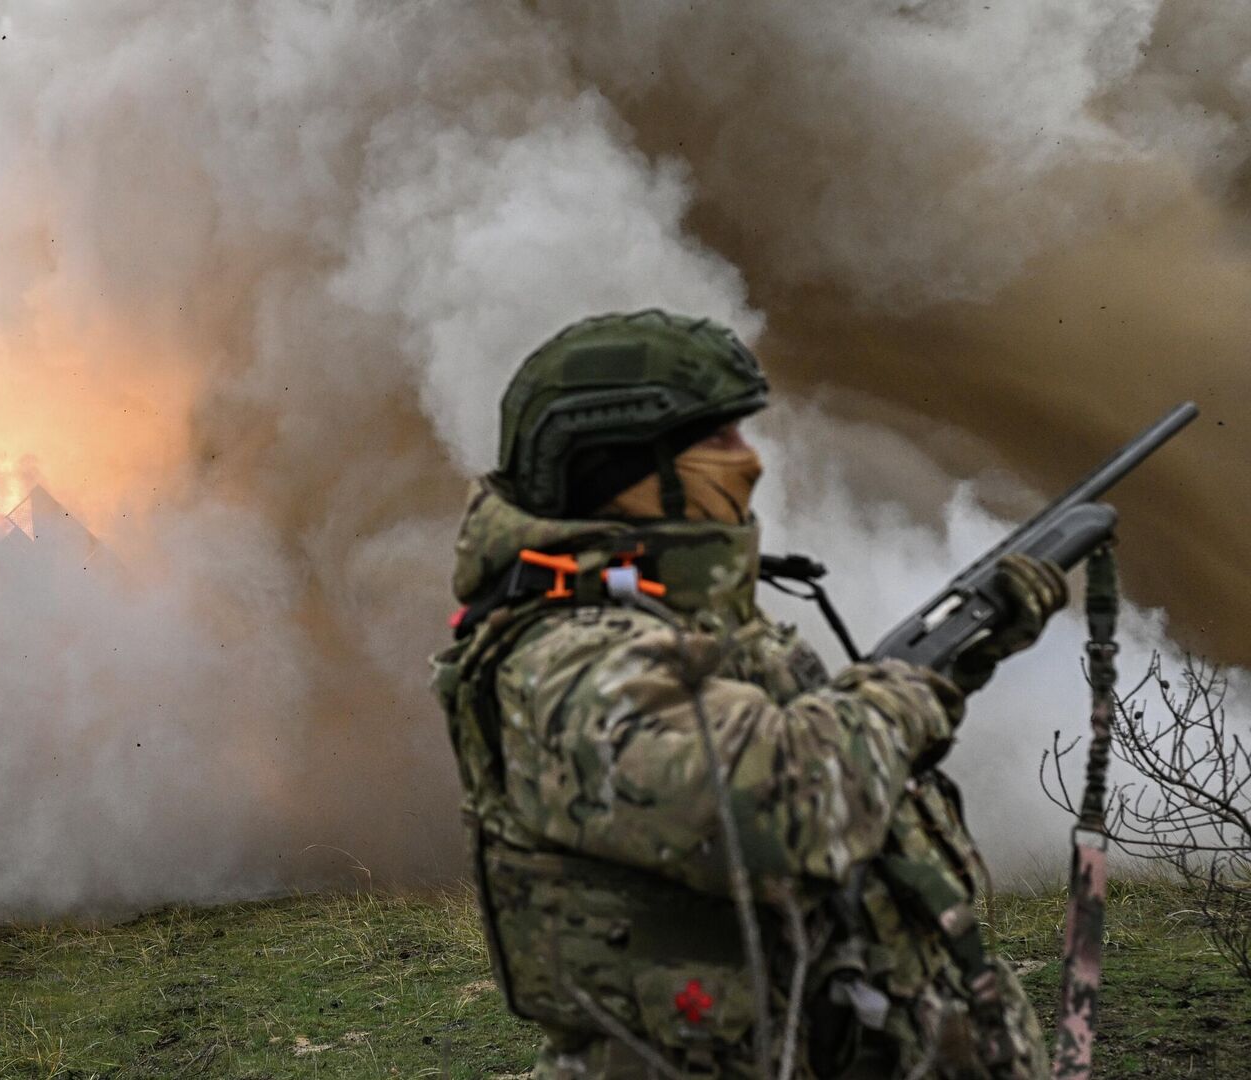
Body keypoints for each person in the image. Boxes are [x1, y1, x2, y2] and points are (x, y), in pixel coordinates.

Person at [433, 310, 1068, 1078]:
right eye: (718, 439)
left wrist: (954, 660)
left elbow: (829, 748)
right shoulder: (569, 661)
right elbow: (781, 799)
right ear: (622, 468)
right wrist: (905, 696)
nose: (751, 461)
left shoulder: (677, 622)